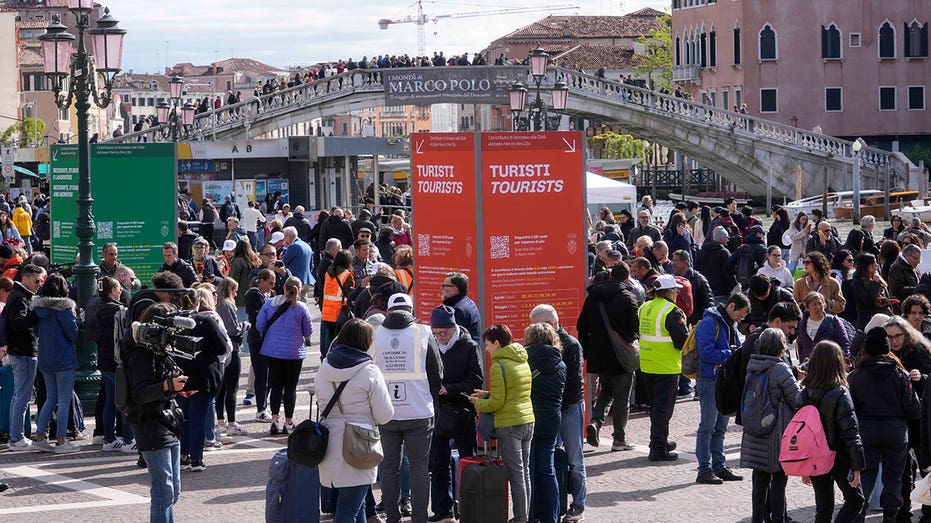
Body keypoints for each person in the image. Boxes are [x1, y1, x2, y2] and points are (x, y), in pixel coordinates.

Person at [373, 293, 443, 523]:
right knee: (419, 467)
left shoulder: (376, 333)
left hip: (387, 412)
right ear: (411, 311)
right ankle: (419, 518)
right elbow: (437, 373)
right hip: (419, 410)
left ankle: (392, 518)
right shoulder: (423, 333)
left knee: (389, 466)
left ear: (389, 311)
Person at [316, 318, 394, 523]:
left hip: (327, 444)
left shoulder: (324, 367)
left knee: (354, 505)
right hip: (358, 445)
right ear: (365, 342)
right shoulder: (369, 370)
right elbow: (384, 415)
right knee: (349, 509)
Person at [849, 327, 921, 522]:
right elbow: (914, 408)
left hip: (866, 430)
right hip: (895, 431)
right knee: (894, 476)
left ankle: (859, 514)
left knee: (866, 476)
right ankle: (890, 516)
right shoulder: (900, 374)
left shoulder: (856, 375)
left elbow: (849, 408)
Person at [124, 302, 186, 523]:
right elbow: (140, 393)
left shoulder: (159, 351)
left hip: (167, 422)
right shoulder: (142, 354)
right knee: (163, 490)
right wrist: (168, 385)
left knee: (173, 490)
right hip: (149, 424)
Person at [470, 325, 534, 523]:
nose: (487, 350)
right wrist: (487, 394)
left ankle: (521, 518)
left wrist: (478, 402)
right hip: (527, 420)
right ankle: (525, 515)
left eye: (488, 345)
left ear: (497, 343)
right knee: (524, 472)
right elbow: (512, 393)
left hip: (509, 425)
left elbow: (497, 403)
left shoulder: (498, 365)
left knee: (515, 475)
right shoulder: (521, 360)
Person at [740, 328, 803, 523]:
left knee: (759, 480)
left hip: (754, 431)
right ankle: (778, 519)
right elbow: (797, 399)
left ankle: (757, 519)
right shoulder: (780, 368)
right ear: (780, 347)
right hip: (776, 431)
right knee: (778, 480)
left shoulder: (753, 365)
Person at [799, 340, 865, 523]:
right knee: (855, 500)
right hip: (839, 456)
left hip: (815, 457)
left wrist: (805, 464)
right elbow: (851, 433)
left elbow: (802, 433)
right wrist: (857, 466)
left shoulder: (804, 393)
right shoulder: (841, 392)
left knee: (824, 508)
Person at [428, 305, 483, 523]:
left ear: (454, 328)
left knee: (467, 460)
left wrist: (448, 389)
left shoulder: (469, 346)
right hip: (439, 413)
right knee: (439, 463)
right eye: (436, 333)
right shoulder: (429, 344)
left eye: (444, 333)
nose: (440, 337)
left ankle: (470, 507)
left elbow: (476, 381)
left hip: (463, 411)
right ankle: (444, 510)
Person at [577, 263, 641, 450]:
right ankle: (619, 439)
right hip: (621, 356)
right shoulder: (629, 298)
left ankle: (596, 422)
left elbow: (582, 326)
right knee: (622, 398)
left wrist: (587, 352)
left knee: (606, 390)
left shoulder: (593, 297)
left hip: (598, 355)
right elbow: (633, 330)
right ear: (627, 278)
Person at [695, 293, 749, 484]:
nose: (740, 320)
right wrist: (732, 353)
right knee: (707, 427)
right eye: (740, 315)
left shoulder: (729, 323)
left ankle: (719, 466)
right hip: (710, 380)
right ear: (731, 306)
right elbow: (706, 352)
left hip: (723, 381)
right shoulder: (710, 322)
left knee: (720, 427)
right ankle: (704, 469)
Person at [174, 289, 231, 472]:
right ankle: (196, 459)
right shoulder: (206, 321)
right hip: (202, 376)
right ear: (198, 303)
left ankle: (183, 455)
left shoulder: (173, 321)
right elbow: (223, 347)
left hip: (179, 376)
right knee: (198, 418)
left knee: (183, 418)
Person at [638, 275, 690, 461]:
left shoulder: (645, 307)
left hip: (647, 364)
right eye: (676, 290)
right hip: (666, 367)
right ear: (669, 291)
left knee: (656, 408)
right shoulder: (673, 311)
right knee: (663, 410)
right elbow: (682, 342)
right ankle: (658, 448)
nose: (677, 292)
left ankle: (660, 441)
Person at [30, 273, 80, 453]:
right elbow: (73, 333)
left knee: (51, 398)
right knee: (64, 399)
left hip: (45, 358)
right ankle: (60, 440)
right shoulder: (64, 309)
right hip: (64, 358)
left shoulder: (39, 309)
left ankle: (40, 437)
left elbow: (35, 331)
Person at [257, 277, 313, 435]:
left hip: (273, 350)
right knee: (290, 388)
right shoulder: (301, 307)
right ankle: (289, 422)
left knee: (275, 385)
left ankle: (274, 419)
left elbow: (259, 324)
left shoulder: (270, 303)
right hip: (294, 352)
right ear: (299, 290)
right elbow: (308, 331)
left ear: (284, 288)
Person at [86, 276, 135, 452]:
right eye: (117, 288)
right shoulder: (118, 310)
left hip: (103, 359)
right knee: (123, 401)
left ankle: (109, 439)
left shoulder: (95, 306)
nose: (121, 290)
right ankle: (129, 441)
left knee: (109, 400)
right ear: (111, 291)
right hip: (117, 361)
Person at [523, 323, 566, 523]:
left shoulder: (524, 361)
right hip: (552, 418)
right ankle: (552, 517)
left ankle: (529, 517)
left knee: (528, 470)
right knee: (547, 469)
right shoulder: (561, 363)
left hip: (529, 417)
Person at [5, 264, 45, 451]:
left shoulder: (18, 295)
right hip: (23, 351)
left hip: (20, 351)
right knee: (22, 396)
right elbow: (19, 323)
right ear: (26, 278)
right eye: (37, 280)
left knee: (19, 395)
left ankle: (16, 435)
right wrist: (36, 313)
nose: (39, 284)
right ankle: (16, 437)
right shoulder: (20, 297)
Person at [214, 277, 247, 436]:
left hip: (220, 350)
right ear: (229, 289)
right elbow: (233, 329)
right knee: (231, 388)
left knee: (221, 388)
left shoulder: (218, 304)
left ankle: (221, 421)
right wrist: (245, 325)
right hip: (231, 349)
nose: (236, 293)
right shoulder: (226, 305)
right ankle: (232, 423)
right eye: (234, 290)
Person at [244, 269, 275, 419]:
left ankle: (264, 406)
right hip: (257, 340)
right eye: (270, 282)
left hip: (268, 340)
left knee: (268, 376)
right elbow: (258, 316)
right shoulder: (253, 294)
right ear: (261, 281)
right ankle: (260, 409)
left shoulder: (269, 295)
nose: (272, 286)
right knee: (261, 374)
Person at [797, 292, 851, 363]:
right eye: (814, 304)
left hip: (829, 365)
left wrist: (843, 362)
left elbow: (844, 344)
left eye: (820, 303)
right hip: (809, 366)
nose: (818, 307)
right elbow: (801, 347)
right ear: (807, 307)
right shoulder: (802, 324)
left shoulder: (833, 321)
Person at [321, 250, 355, 357]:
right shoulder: (347, 274)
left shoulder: (328, 273)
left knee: (327, 343)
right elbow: (350, 294)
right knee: (338, 342)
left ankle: (326, 362)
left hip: (327, 312)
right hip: (339, 312)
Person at [848, 253, 893, 331]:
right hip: (867, 320)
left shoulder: (877, 278)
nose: (876, 265)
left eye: (876, 262)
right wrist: (875, 283)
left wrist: (886, 301)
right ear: (866, 266)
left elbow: (885, 294)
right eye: (873, 263)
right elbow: (868, 301)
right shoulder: (858, 282)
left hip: (882, 318)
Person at [696, 226, 737, 303]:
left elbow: (697, 270)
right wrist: (734, 285)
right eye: (726, 237)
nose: (728, 240)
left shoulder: (701, 251)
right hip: (722, 291)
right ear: (721, 239)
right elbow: (728, 272)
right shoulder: (724, 252)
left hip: (706, 292)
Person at [441, 272, 481, 342]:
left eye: (444, 286)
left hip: (463, 352)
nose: (442, 289)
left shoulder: (456, 310)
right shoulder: (468, 302)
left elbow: (450, 340)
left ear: (454, 290)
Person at [281, 226, 315, 297]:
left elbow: (283, 262)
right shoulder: (307, 245)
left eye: (285, 237)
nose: (284, 240)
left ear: (289, 236)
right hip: (307, 280)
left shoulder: (293, 246)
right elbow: (311, 265)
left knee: (293, 304)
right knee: (303, 304)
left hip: (295, 281)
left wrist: (285, 248)